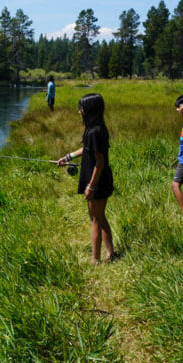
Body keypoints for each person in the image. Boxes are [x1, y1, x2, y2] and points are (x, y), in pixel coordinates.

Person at [57, 93, 115, 264]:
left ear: (89, 110)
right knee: (99, 216)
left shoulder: (95, 132)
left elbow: (100, 161)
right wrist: (67, 157)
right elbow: (86, 150)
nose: (79, 112)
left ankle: (95, 260)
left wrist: (91, 186)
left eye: (81, 108)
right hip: (97, 179)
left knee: (95, 219)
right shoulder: (93, 129)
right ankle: (110, 254)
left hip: (97, 181)